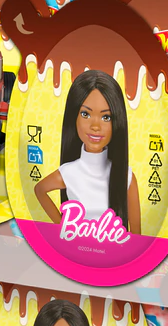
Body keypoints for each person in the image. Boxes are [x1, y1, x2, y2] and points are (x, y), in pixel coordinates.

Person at [34, 69, 140, 235]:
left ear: (117, 121)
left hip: (112, 249)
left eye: (106, 117)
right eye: (85, 114)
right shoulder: (68, 172)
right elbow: (40, 189)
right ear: (74, 117)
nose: (95, 126)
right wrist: (62, 225)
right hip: (74, 246)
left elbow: (136, 235)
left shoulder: (126, 177)